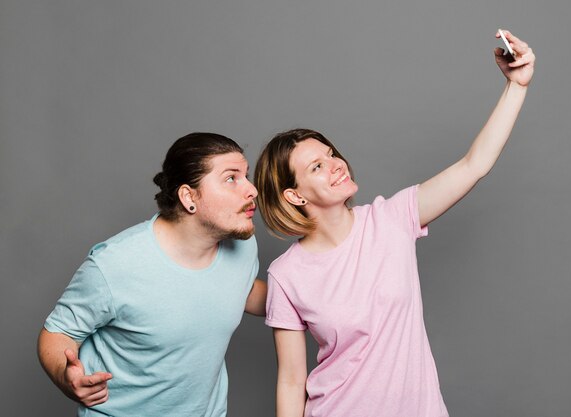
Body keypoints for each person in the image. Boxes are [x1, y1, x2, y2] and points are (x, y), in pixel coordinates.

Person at [254, 30, 535, 417]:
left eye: (331, 154)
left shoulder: (392, 218)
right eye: (317, 167)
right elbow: (289, 380)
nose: (336, 164)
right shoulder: (287, 275)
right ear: (295, 196)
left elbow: (474, 165)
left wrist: (516, 87)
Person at [38, 132, 267, 417]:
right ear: (189, 197)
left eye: (246, 176)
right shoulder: (115, 264)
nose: (252, 190)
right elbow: (58, 332)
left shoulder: (241, 246)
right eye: (231, 178)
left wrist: (313, 297)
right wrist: (66, 378)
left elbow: (240, 290)